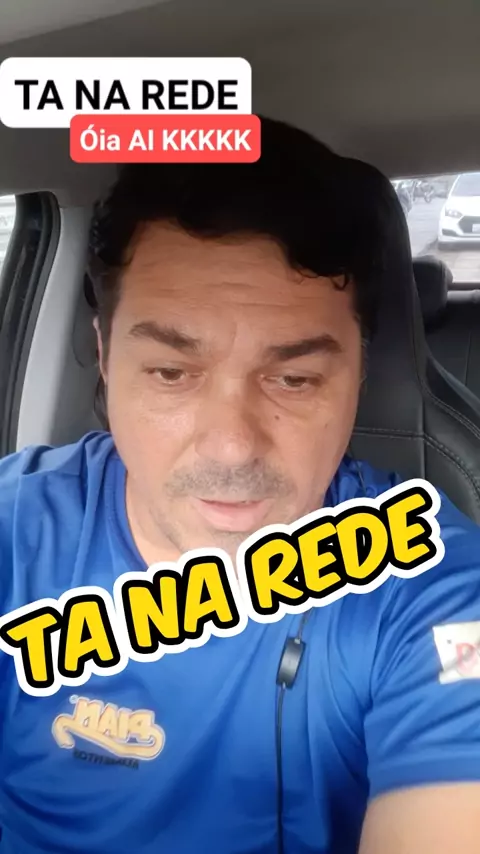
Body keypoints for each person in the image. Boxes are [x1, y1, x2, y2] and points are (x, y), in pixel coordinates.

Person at [0, 115, 480, 854]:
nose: (231, 445)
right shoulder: (14, 529)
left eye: (295, 379)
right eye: (170, 372)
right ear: (104, 355)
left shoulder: (431, 587)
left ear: (360, 371)